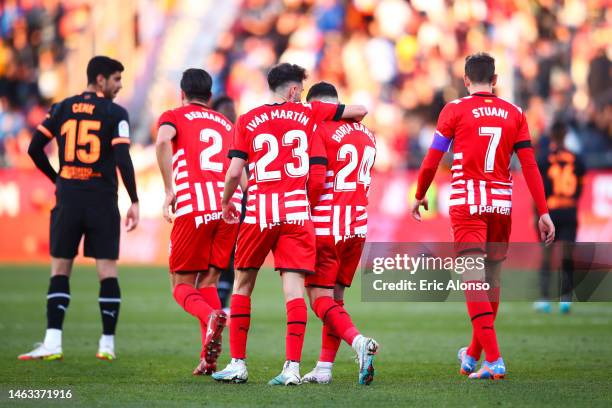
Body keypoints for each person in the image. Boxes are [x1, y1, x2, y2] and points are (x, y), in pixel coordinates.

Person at [212, 63, 367, 385]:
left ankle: (238, 363)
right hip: (298, 213)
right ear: (295, 90)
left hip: (258, 212)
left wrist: (227, 200)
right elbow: (357, 112)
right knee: (294, 291)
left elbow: (233, 172)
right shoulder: (310, 114)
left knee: (243, 285)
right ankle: (292, 368)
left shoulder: (247, 119)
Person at [411, 53, 555, 380]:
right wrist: (543, 211)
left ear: (465, 80)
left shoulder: (454, 110)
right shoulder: (515, 113)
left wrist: (420, 194)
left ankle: (494, 358)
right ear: (495, 80)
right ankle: (472, 355)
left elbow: (433, 159)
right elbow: (530, 166)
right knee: (493, 281)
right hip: (501, 205)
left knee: (473, 280)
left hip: (467, 204)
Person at [20, 56, 139, 361]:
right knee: (107, 271)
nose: (119, 85)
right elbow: (123, 159)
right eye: (116, 79)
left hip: (69, 199)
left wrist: (56, 178)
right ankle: (107, 344)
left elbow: (34, 148)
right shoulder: (115, 113)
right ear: (100, 80)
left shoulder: (61, 108)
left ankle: (53, 342)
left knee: (60, 269)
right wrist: (134, 200)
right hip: (102, 199)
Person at [155, 69, 244, 376]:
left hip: (194, 205)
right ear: (210, 96)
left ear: (182, 93)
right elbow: (240, 170)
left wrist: (169, 189)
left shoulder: (174, 116)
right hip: (228, 208)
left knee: (180, 287)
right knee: (207, 282)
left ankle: (211, 317)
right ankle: (208, 359)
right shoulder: (227, 123)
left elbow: (163, 141)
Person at [300, 82, 379, 385]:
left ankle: (359, 343)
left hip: (326, 223)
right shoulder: (367, 134)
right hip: (357, 225)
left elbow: (317, 180)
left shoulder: (318, 130)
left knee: (318, 297)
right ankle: (324, 367)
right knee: (336, 298)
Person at [534, 120, 585, 314]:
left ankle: (544, 298)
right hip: (570, 210)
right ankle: (566, 299)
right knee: (567, 255)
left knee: (546, 254)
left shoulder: (545, 158)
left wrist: (537, 214)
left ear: (551, 135)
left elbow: (538, 189)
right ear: (565, 134)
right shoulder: (577, 158)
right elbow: (580, 186)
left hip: (550, 211)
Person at [210, 95, 239, 312]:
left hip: (234, 203)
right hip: (213, 202)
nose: (230, 113)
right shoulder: (216, 137)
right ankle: (213, 304)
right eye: (225, 110)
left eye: (232, 109)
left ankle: (223, 305)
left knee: (230, 255)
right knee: (213, 256)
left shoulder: (240, 135)